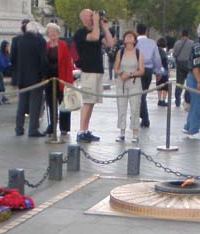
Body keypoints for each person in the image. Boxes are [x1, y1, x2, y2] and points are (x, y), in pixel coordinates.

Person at [73, 9, 114, 142]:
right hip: (88, 70)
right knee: (87, 101)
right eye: (90, 15)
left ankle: (86, 129)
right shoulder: (81, 33)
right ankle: (81, 130)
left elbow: (110, 43)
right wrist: (96, 23)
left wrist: (105, 26)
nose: (92, 17)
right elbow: (95, 37)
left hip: (97, 70)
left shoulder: (96, 30)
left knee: (92, 102)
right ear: (84, 18)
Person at [13, 20, 47, 137]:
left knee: (21, 103)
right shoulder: (40, 41)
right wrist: (44, 75)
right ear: (36, 30)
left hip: (22, 76)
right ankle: (33, 128)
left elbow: (13, 58)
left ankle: (19, 128)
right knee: (35, 104)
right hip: (36, 77)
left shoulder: (18, 40)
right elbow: (43, 60)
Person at [113, 29, 145, 143]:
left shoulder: (138, 53)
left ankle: (135, 133)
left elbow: (142, 70)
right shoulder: (120, 52)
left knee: (135, 107)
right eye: (127, 36)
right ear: (124, 39)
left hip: (134, 83)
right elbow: (115, 68)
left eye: (132, 36)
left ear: (135, 40)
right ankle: (122, 132)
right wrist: (121, 73)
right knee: (121, 107)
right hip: (121, 83)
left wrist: (131, 74)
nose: (129, 38)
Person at [44, 22, 74, 136]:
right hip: (49, 79)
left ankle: (64, 127)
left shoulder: (63, 45)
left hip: (62, 78)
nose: (52, 34)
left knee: (64, 104)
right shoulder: (46, 46)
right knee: (51, 104)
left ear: (58, 33)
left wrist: (68, 82)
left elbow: (67, 64)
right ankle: (52, 125)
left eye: (54, 32)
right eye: (50, 32)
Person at [135, 23, 162, 128]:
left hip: (138, 69)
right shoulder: (152, 43)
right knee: (144, 94)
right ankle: (141, 115)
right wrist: (158, 71)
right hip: (149, 70)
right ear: (146, 31)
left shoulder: (135, 43)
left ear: (137, 31)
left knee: (140, 95)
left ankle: (145, 118)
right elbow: (157, 58)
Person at [172, 29, 193, 107]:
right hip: (189, 65)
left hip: (180, 65)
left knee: (179, 83)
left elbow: (174, 54)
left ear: (181, 34)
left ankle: (177, 100)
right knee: (189, 83)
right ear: (188, 35)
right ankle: (187, 99)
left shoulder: (177, 43)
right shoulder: (192, 43)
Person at [156, 37, 169, 106]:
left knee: (159, 85)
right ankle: (163, 100)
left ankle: (159, 99)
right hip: (164, 70)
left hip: (158, 70)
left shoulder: (156, 50)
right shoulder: (164, 51)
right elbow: (165, 62)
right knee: (165, 86)